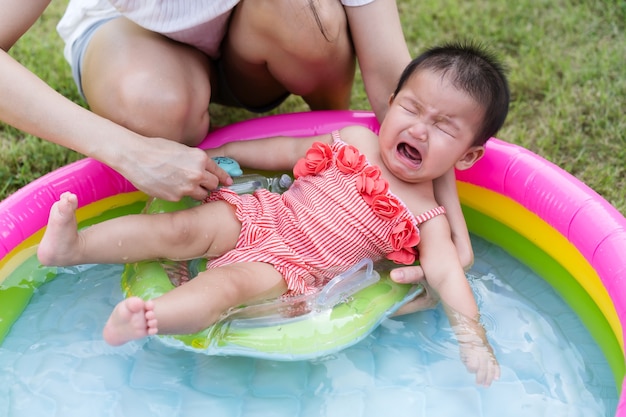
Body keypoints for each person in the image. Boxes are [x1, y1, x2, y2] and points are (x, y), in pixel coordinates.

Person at [38, 42, 509, 386]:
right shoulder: (355, 139)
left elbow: (449, 278)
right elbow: (282, 149)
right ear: (390, 105)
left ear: (466, 158)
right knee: (178, 228)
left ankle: (149, 317)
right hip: (263, 214)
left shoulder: (428, 217)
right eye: (412, 108)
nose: (420, 130)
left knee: (224, 288)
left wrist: (473, 338)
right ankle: (74, 246)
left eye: (444, 127)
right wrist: (221, 150)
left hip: (291, 268)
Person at [1, 0, 468, 285]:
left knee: (310, 17)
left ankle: (329, 159)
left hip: (260, 38)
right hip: (139, 38)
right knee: (156, 109)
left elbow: (394, 84)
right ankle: (165, 120)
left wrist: (449, 233)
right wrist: (129, 150)